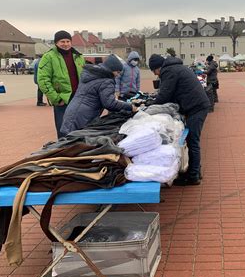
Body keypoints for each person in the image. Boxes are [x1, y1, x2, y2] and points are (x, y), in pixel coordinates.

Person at [147, 54, 211, 186]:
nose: (156, 75)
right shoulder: (176, 67)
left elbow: (164, 95)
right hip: (197, 105)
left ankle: (193, 176)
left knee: (193, 140)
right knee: (192, 140)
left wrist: (150, 105)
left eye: (154, 71)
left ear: (158, 67)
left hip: (196, 107)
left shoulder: (169, 71)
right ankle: (195, 171)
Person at [60, 55, 137, 136]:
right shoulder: (106, 81)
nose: (117, 75)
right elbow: (109, 103)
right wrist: (130, 107)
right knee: (76, 143)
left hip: (73, 112)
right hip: (84, 117)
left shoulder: (92, 74)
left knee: (70, 140)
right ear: (111, 69)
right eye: (117, 72)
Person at [38, 30, 85, 139]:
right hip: (62, 99)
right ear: (56, 43)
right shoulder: (48, 57)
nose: (65, 44)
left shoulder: (78, 56)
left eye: (68, 41)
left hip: (78, 97)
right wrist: (56, 98)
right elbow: (43, 80)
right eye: (62, 41)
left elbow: (85, 77)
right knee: (63, 130)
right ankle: (64, 150)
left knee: (80, 128)